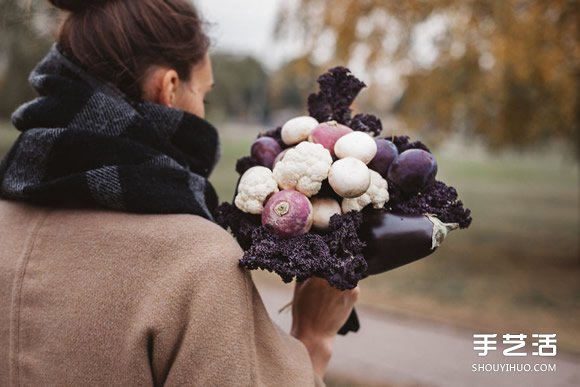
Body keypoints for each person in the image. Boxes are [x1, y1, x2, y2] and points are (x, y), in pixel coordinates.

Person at [0, 0, 359, 386]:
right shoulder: (198, 263)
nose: (202, 109)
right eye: (203, 92)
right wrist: (313, 339)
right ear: (169, 88)